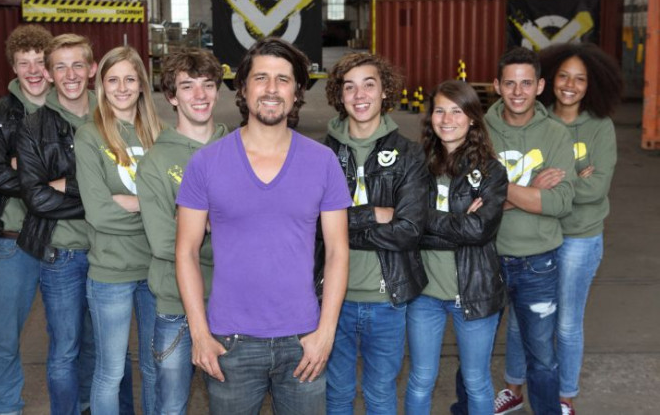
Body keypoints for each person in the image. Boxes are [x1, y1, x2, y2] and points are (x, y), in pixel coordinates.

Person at [174, 37, 351, 414]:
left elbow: (338, 251)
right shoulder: (205, 163)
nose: (272, 89)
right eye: (261, 78)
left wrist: (325, 333)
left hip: (303, 341)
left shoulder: (323, 162)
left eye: (283, 79)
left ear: (297, 92)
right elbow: (186, 251)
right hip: (229, 343)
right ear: (242, 88)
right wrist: (200, 334)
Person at [499, 43, 623, 415]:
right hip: (536, 234)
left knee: (566, 323)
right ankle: (513, 388)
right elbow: (521, 181)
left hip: (578, 238)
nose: (570, 85)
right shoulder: (536, 120)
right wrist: (546, 184)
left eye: (580, 79)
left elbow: (594, 189)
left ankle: (564, 396)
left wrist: (548, 187)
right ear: (548, 80)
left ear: (591, 84)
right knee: (522, 320)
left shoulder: (599, 127)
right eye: (564, 76)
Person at [16, 34, 134, 415]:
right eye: (60, 67)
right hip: (63, 254)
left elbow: (135, 184)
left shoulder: (115, 115)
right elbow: (35, 198)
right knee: (65, 350)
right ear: (49, 74)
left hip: (112, 251)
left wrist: (64, 185)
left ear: (92, 69)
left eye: (78, 65)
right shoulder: (33, 126)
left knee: (113, 351)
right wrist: (99, 198)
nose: (70, 75)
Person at [320, 52, 428, 414]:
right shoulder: (321, 153)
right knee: (336, 394)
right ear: (340, 95)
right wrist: (375, 214)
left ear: (385, 91)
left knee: (380, 394)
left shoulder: (410, 154)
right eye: (349, 87)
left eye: (369, 84)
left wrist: (338, 225)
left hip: (387, 300)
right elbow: (308, 225)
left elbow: (408, 230)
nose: (359, 95)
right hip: (331, 299)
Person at [405, 80, 508, 415]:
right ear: (430, 117)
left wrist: (424, 218)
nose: (447, 119)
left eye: (456, 111)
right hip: (424, 294)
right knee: (420, 379)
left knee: (477, 381)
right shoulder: (414, 164)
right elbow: (404, 226)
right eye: (440, 110)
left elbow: (478, 230)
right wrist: (457, 223)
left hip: (474, 292)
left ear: (472, 117)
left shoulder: (491, 171)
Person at [484, 47, 576, 415]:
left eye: (526, 83)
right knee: (475, 353)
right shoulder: (480, 131)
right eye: (510, 83)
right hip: (486, 259)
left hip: (538, 263)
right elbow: (468, 204)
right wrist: (532, 188)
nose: (517, 92)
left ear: (539, 86)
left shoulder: (556, 134)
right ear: (496, 86)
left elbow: (560, 202)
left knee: (542, 357)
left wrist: (498, 191)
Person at [137, 48, 228, 414]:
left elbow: (258, 234)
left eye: (208, 85)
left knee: (231, 405)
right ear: (172, 96)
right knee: (171, 407)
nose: (199, 95)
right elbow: (163, 243)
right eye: (187, 86)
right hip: (175, 306)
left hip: (231, 304)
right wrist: (219, 227)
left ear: (218, 91)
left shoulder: (240, 150)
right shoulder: (156, 162)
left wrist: (191, 226)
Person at [74, 45, 163, 415]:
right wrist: (151, 206)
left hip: (157, 270)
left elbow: (177, 206)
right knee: (110, 372)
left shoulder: (160, 134)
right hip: (110, 272)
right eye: (113, 80)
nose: (122, 88)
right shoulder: (89, 136)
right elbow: (98, 213)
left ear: (142, 84)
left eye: (130, 79)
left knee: (155, 368)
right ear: (101, 85)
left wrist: (128, 201)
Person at [0, 24, 52, 415]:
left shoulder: (71, 107)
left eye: (40, 61)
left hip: (67, 237)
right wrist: (53, 178)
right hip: (14, 238)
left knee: (76, 333)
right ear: (14, 67)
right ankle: (4, 406)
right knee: (4, 334)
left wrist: (26, 169)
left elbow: (87, 174)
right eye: (24, 63)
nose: (33, 71)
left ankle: (82, 401)